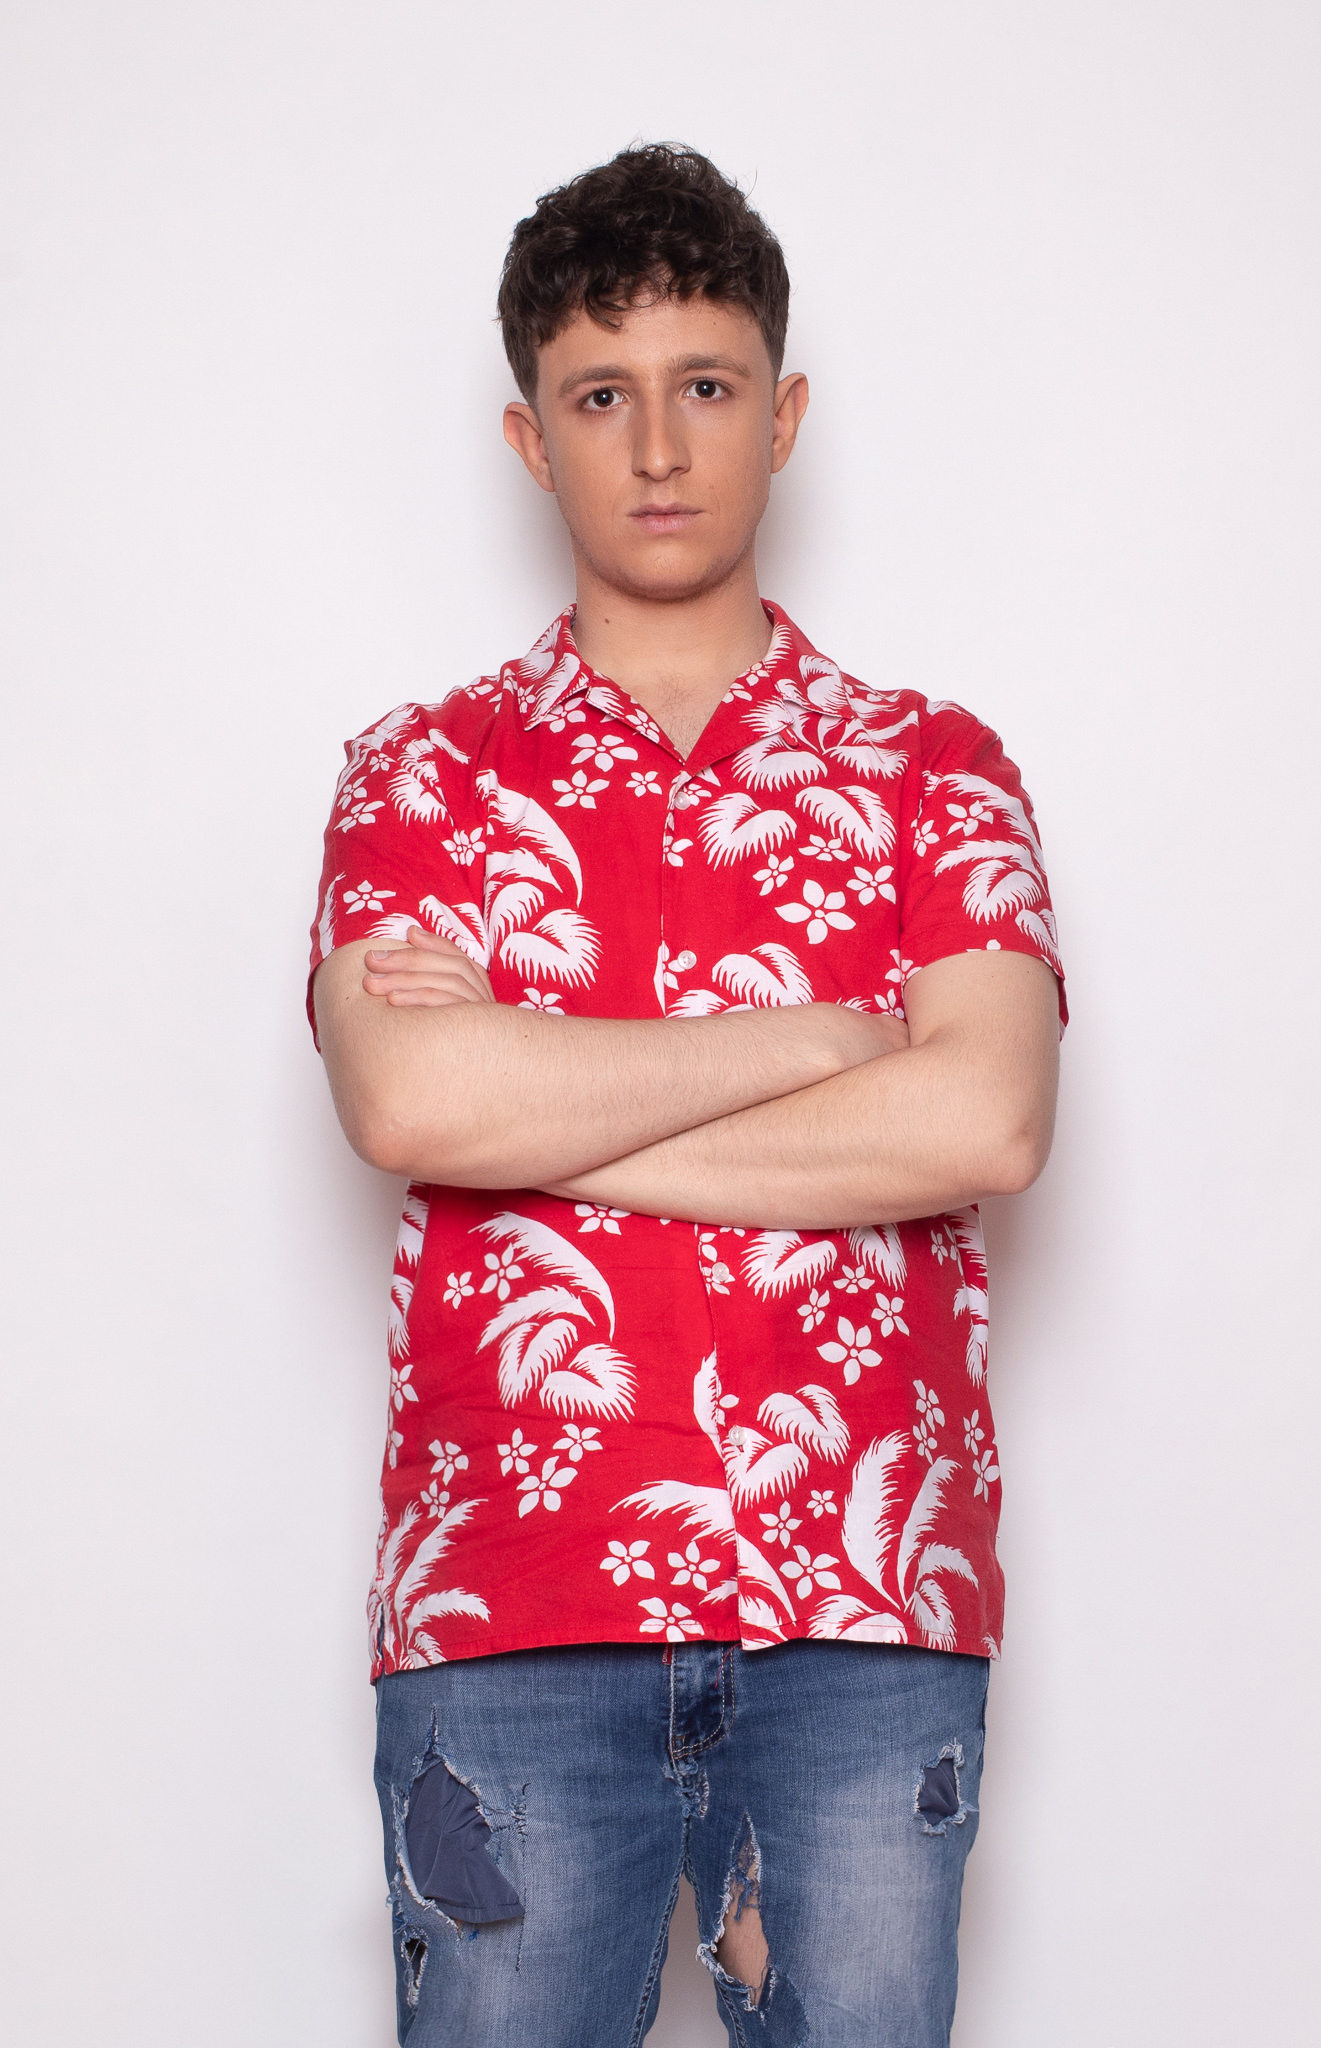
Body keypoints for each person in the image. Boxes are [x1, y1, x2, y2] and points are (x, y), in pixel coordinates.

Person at [309, 142, 1064, 2048]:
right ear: (528, 438)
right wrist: (826, 1042)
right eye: (599, 397)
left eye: (705, 386)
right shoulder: (418, 778)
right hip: (510, 1600)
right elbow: (408, 1108)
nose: (657, 447)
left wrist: (542, 1095)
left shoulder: (934, 769)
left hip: (859, 1614)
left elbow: (984, 1123)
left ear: (782, 415)